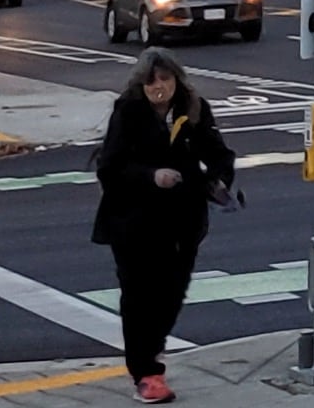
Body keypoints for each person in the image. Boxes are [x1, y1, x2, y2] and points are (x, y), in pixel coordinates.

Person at [93, 49, 235, 401]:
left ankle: (152, 353)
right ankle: (146, 371)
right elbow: (110, 168)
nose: (159, 87)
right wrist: (151, 176)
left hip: (182, 219)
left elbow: (218, 152)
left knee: (171, 293)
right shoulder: (127, 111)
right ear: (140, 85)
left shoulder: (193, 108)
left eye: (166, 79)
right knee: (140, 296)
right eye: (151, 81)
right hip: (132, 221)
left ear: (177, 79)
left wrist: (218, 180)